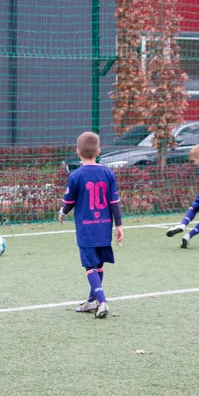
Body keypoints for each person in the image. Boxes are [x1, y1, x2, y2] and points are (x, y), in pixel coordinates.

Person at [58, 132, 124, 319]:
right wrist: (118, 225)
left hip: (86, 228)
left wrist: (62, 212)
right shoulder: (107, 173)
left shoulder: (76, 176)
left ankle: (102, 301)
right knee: (98, 265)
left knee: (89, 266)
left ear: (78, 152)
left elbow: (69, 202)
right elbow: (114, 202)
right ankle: (92, 300)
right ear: (99, 151)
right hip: (104, 226)